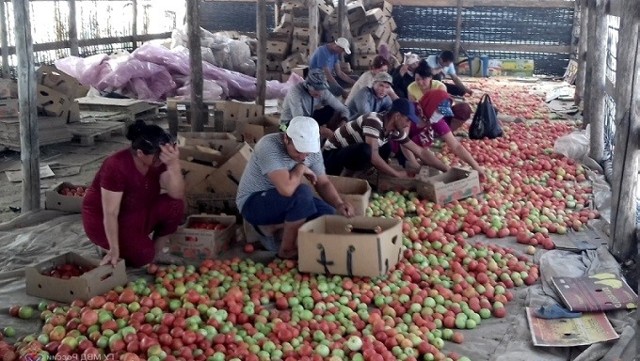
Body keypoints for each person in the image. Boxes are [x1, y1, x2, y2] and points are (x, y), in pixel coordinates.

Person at [237, 116, 355, 259]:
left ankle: (274, 228)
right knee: (302, 193)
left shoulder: (312, 150)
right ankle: (286, 250)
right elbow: (287, 190)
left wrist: (339, 203)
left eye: (307, 153)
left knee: (329, 215)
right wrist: (300, 169)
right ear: (286, 139)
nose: (303, 157)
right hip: (253, 202)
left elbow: (323, 183)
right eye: (299, 151)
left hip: (285, 200)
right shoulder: (268, 146)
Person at [82, 120, 185, 267]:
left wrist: (174, 164)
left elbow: (177, 194)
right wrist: (114, 249)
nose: (161, 159)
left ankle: (156, 254)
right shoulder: (116, 165)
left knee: (175, 205)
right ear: (140, 153)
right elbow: (110, 212)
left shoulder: (157, 161)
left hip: (137, 211)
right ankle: (106, 246)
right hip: (107, 220)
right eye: (157, 155)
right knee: (142, 255)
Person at [323, 98, 441, 178]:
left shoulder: (393, 129)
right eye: (407, 119)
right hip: (332, 156)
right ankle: (347, 178)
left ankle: (360, 173)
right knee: (366, 150)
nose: (408, 124)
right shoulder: (374, 121)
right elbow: (373, 157)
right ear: (397, 116)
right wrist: (397, 174)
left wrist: (447, 170)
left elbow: (420, 151)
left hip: (348, 152)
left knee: (386, 148)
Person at [392, 89, 485, 178]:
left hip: (413, 147)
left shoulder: (436, 119)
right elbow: (403, 140)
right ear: (430, 105)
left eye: (443, 113)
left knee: (427, 157)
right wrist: (413, 162)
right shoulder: (410, 111)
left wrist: (475, 166)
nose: (440, 115)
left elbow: (456, 146)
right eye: (439, 111)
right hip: (395, 144)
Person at [279, 69, 350, 139]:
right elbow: (299, 121)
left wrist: (344, 120)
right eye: (316, 89)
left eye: (321, 89)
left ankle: (328, 135)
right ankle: (323, 136)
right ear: (307, 85)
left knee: (332, 110)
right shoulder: (295, 92)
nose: (319, 93)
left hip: (308, 118)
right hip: (289, 124)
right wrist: (320, 130)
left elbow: (343, 109)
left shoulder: (323, 91)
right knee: (299, 135)